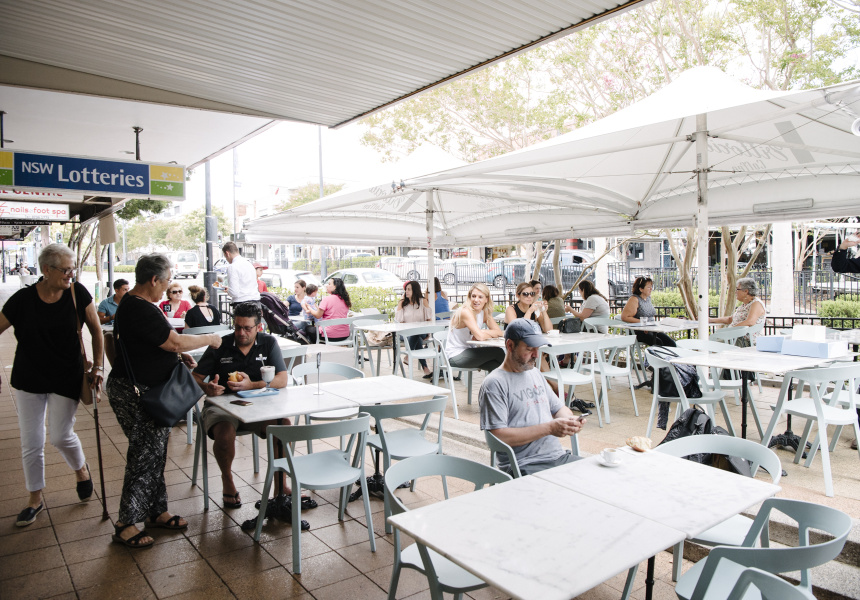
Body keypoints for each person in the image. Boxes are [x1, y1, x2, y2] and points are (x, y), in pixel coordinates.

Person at [107, 254, 222, 548]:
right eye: (168, 280)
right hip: (137, 392)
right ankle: (125, 523)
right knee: (144, 455)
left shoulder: (139, 305)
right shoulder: (139, 307)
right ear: (154, 280)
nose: (169, 285)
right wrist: (208, 339)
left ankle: (157, 511)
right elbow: (173, 340)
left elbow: (156, 345)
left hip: (149, 388)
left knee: (155, 452)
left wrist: (174, 355)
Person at [0, 244, 103, 527]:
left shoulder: (76, 293)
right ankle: (35, 498)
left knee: (59, 435)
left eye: (73, 269)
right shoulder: (22, 300)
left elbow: (96, 330)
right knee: (30, 441)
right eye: (66, 269)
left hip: (66, 375)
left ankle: (81, 469)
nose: (71, 274)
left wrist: (97, 366)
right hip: (28, 376)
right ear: (46, 270)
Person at [193, 303, 289, 508]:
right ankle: (227, 480)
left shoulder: (268, 342)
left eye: (247, 328)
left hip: (259, 406)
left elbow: (282, 379)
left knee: (284, 425)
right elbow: (195, 377)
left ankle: (281, 485)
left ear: (258, 327)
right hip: (222, 405)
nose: (241, 332)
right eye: (238, 327)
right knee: (225, 433)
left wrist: (252, 385)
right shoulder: (220, 345)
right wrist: (207, 388)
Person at [479, 318, 587, 475]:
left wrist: (570, 421)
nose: (536, 354)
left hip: (558, 457)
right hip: (525, 464)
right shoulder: (494, 384)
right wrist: (550, 428)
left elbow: (558, 408)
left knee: (600, 478)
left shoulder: (535, 373)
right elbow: (499, 437)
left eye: (537, 348)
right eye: (529, 349)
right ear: (510, 345)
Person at [446, 283, 505, 372]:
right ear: (469, 297)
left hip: (469, 352)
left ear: (486, 299)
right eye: (473, 296)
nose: (476, 300)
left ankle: (495, 386)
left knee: (496, 366)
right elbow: (480, 337)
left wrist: (484, 332)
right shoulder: (465, 311)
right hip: (456, 355)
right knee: (499, 352)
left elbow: (499, 332)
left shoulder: (484, 312)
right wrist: (482, 334)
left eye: (480, 297)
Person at [708, 277, 766, 347]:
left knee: (708, 346)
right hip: (734, 338)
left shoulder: (756, 304)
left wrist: (730, 330)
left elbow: (750, 322)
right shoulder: (744, 305)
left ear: (746, 291)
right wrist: (710, 319)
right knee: (707, 345)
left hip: (744, 340)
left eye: (737, 289)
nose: (735, 291)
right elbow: (730, 319)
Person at [620, 276, 676, 347]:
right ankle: (652, 358)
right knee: (658, 343)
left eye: (651, 287)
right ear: (641, 289)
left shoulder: (648, 298)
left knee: (671, 343)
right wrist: (643, 323)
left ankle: (668, 358)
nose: (651, 289)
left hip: (652, 328)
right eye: (649, 287)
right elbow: (624, 317)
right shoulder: (634, 299)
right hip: (639, 331)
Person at [395, 280, 433, 378]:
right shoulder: (403, 303)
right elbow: (399, 320)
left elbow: (429, 318)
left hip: (422, 332)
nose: (406, 292)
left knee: (417, 333)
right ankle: (425, 368)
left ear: (415, 290)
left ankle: (408, 355)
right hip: (406, 334)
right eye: (405, 290)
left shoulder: (423, 301)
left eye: (409, 290)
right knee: (416, 337)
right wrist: (400, 303)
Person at [304, 278, 351, 342]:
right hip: (345, 335)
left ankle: (319, 347)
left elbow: (318, 315)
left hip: (328, 335)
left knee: (308, 328)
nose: (326, 286)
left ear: (335, 287)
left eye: (329, 284)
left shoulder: (326, 299)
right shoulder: (345, 300)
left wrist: (309, 308)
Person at [221, 242, 261, 309]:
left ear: (227, 253)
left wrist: (228, 290)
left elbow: (234, 292)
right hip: (256, 302)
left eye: (225, 257)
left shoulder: (233, 267)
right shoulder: (249, 264)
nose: (227, 260)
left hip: (242, 304)